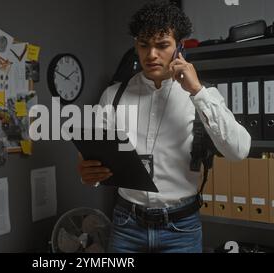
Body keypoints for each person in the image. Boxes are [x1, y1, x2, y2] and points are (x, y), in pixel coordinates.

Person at [77, 2, 251, 253]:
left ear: (179, 47)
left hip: (181, 229)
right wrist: (88, 173)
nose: (151, 55)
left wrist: (197, 91)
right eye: (144, 45)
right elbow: (94, 159)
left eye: (162, 45)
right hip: (126, 226)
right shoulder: (113, 96)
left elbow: (239, 150)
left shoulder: (203, 96)